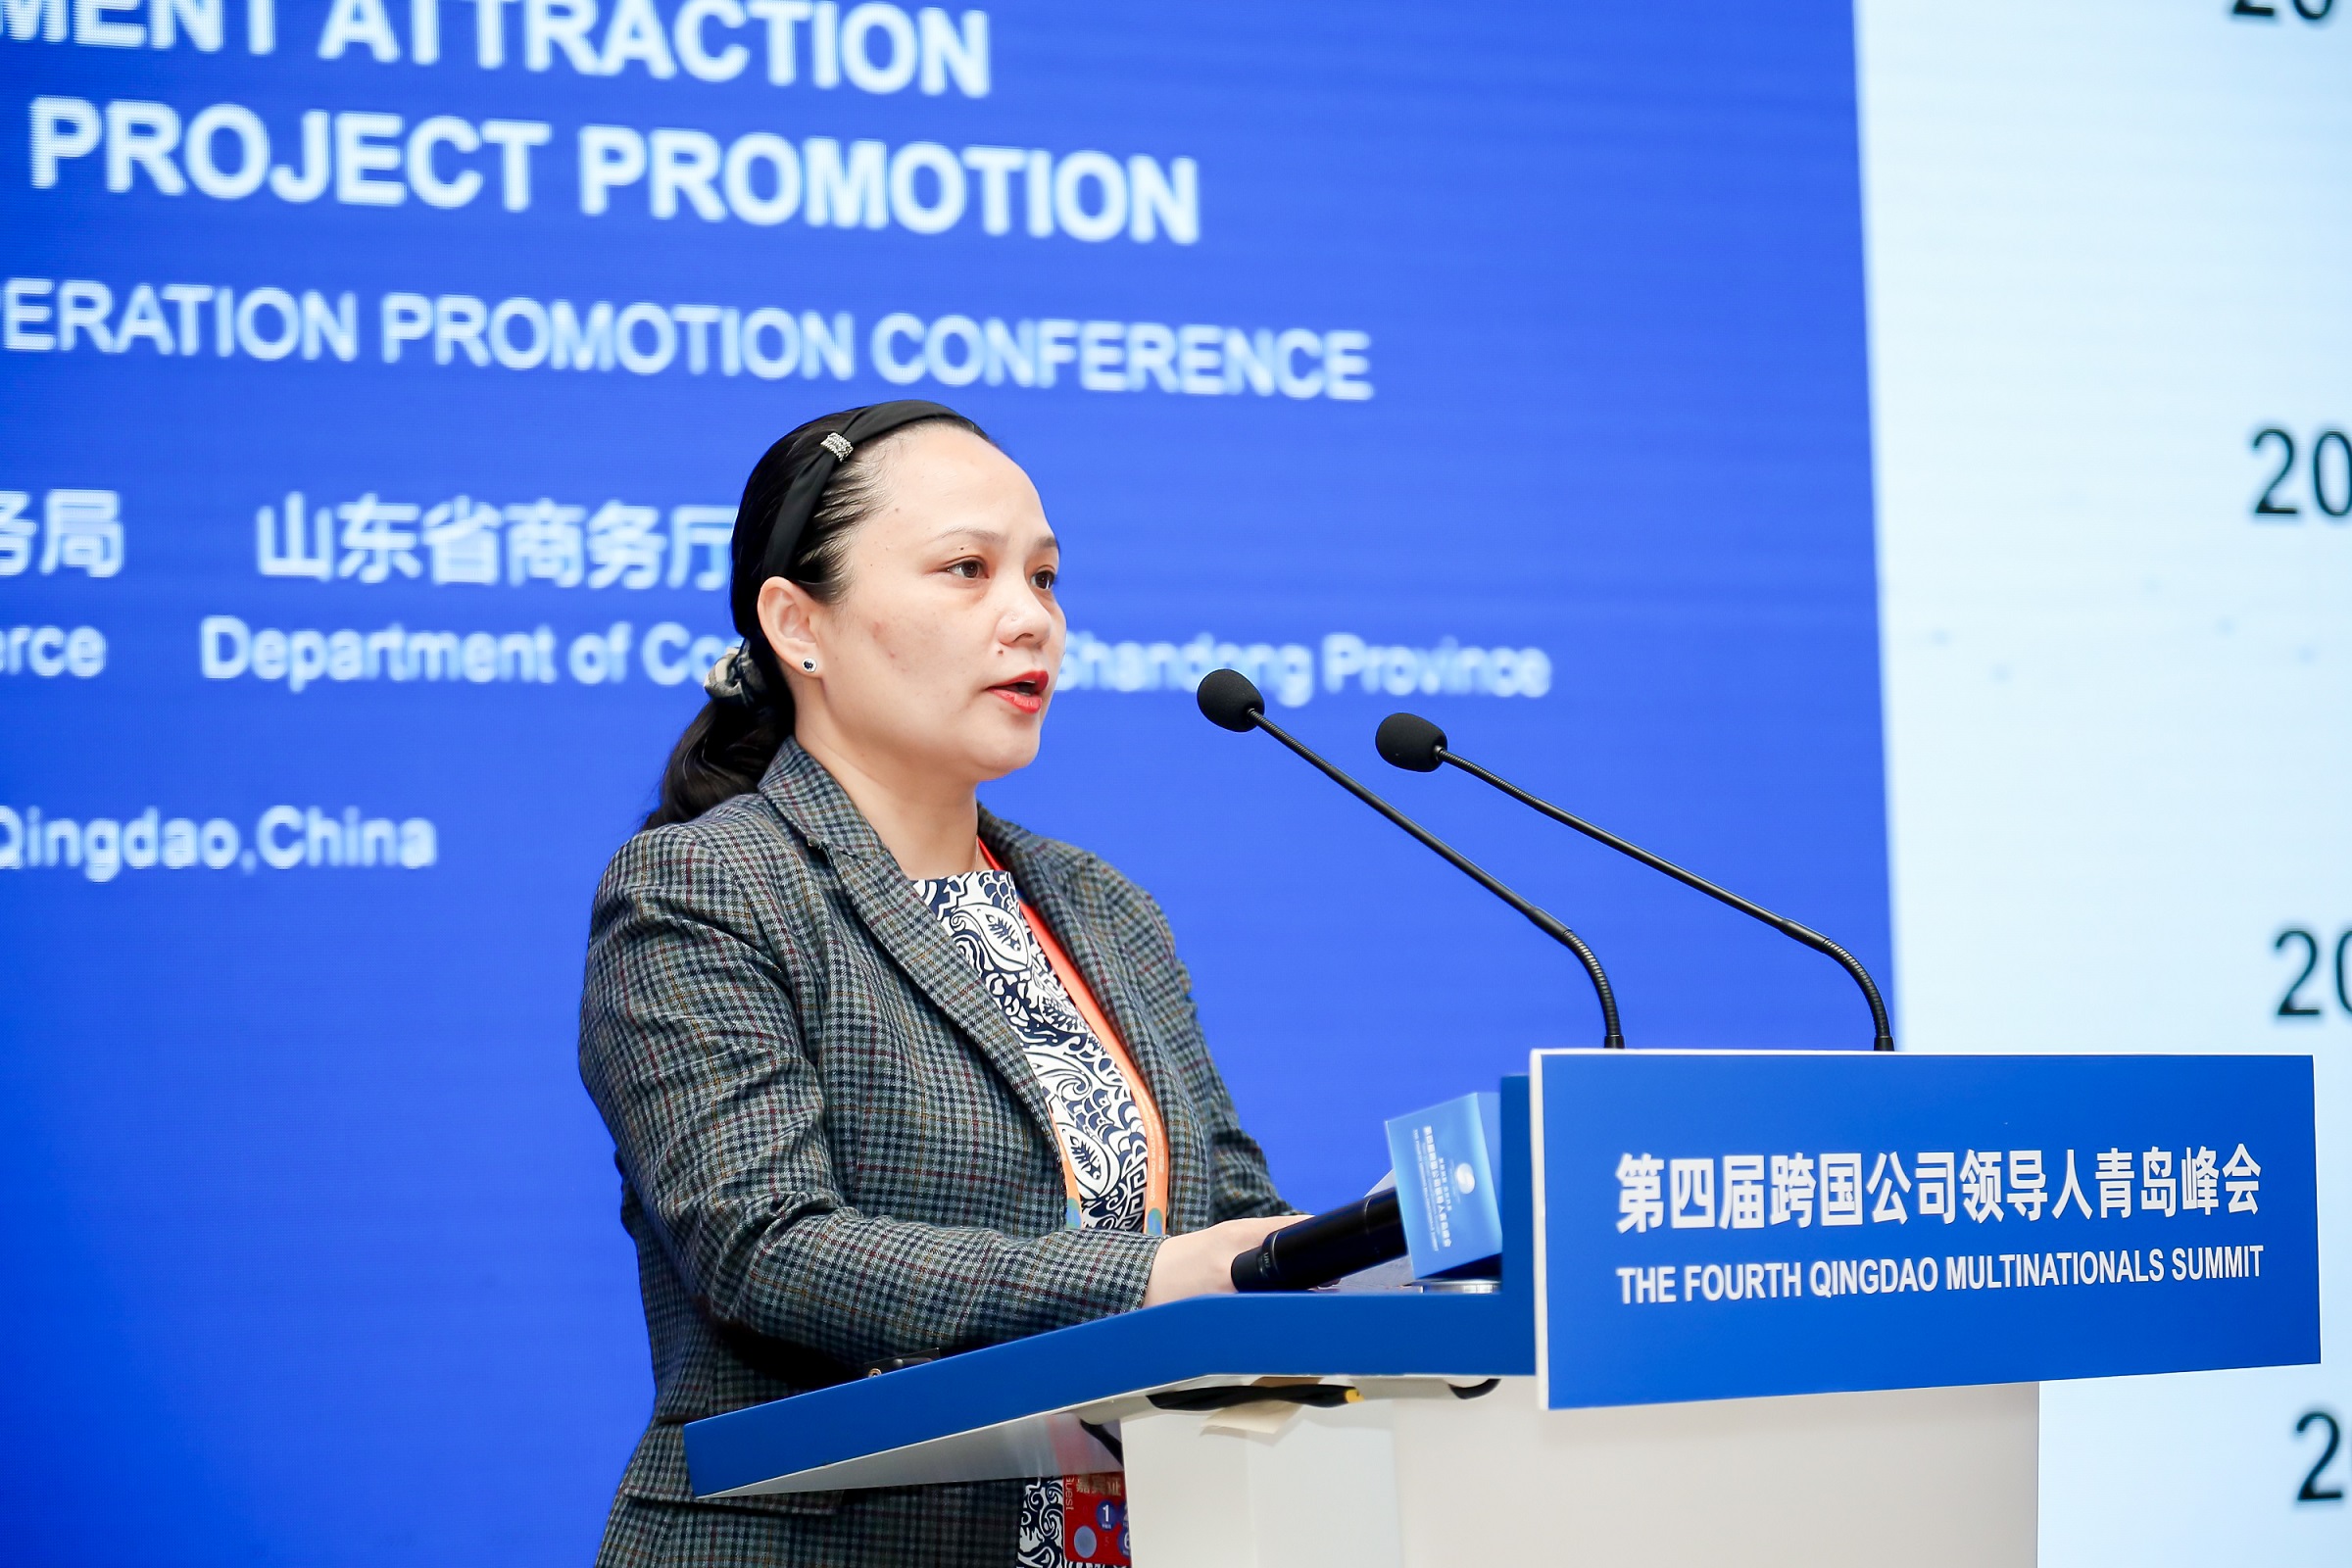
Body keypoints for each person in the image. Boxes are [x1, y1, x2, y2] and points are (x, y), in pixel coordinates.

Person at [578, 400, 1297, 1568]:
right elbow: (766, 1249)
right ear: (797, 624)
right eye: (968, 570)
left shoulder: (1102, 907)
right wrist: (1155, 1277)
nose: (1031, 618)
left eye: (1046, 578)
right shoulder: (703, 888)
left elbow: (1230, 1215)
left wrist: (1332, 1261)